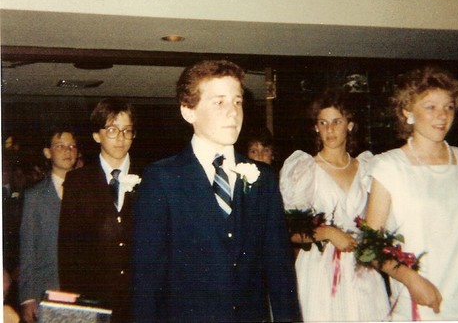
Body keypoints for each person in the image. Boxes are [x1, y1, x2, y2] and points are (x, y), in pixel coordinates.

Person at [132, 60, 301, 322]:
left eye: (237, 101)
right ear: (189, 111)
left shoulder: (263, 178)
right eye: (219, 102)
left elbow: (280, 271)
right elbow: (147, 279)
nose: (233, 112)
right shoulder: (162, 179)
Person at [366, 65, 458, 320]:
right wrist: (410, 279)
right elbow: (369, 246)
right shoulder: (389, 167)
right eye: (430, 107)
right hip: (425, 302)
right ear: (407, 112)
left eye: (449, 106)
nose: (442, 115)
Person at [279, 88, 390, 322]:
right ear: (316, 127)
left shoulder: (366, 167)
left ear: (349, 125)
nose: (330, 129)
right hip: (319, 270)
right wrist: (328, 232)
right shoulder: (304, 169)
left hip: (361, 266)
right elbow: (289, 230)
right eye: (323, 122)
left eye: (337, 121)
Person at [58, 98, 142, 323]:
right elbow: (68, 251)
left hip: (139, 301)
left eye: (127, 131)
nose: (121, 138)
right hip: (94, 299)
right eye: (112, 130)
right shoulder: (77, 182)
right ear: (97, 135)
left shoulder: (152, 177)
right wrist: (74, 308)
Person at [19, 125, 78, 323]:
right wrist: (27, 297)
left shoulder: (89, 192)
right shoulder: (34, 196)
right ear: (48, 152)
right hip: (47, 289)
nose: (68, 151)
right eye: (60, 146)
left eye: (72, 146)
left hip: (82, 289)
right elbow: (28, 249)